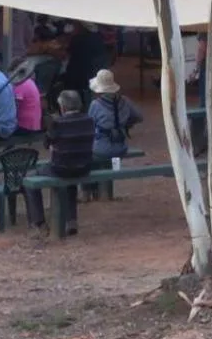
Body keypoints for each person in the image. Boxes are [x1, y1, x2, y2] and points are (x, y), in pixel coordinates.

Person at [26, 90, 96, 237]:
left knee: (30, 179)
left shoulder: (57, 123)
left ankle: (40, 223)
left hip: (60, 168)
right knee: (70, 180)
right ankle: (71, 220)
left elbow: (46, 143)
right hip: (84, 167)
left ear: (63, 107)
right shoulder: (89, 120)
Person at [88, 69, 142, 164]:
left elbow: (89, 125)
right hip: (121, 147)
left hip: (101, 148)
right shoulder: (125, 101)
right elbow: (139, 117)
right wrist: (125, 124)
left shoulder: (95, 104)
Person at [61, 20, 108, 101]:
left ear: (81, 26)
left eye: (75, 25)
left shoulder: (78, 39)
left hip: (79, 73)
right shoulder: (97, 36)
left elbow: (65, 55)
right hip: (94, 71)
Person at [12, 63, 45, 135]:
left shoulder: (20, 84)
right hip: (35, 124)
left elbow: (15, 107)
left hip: (25, 127)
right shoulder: (30, 82)